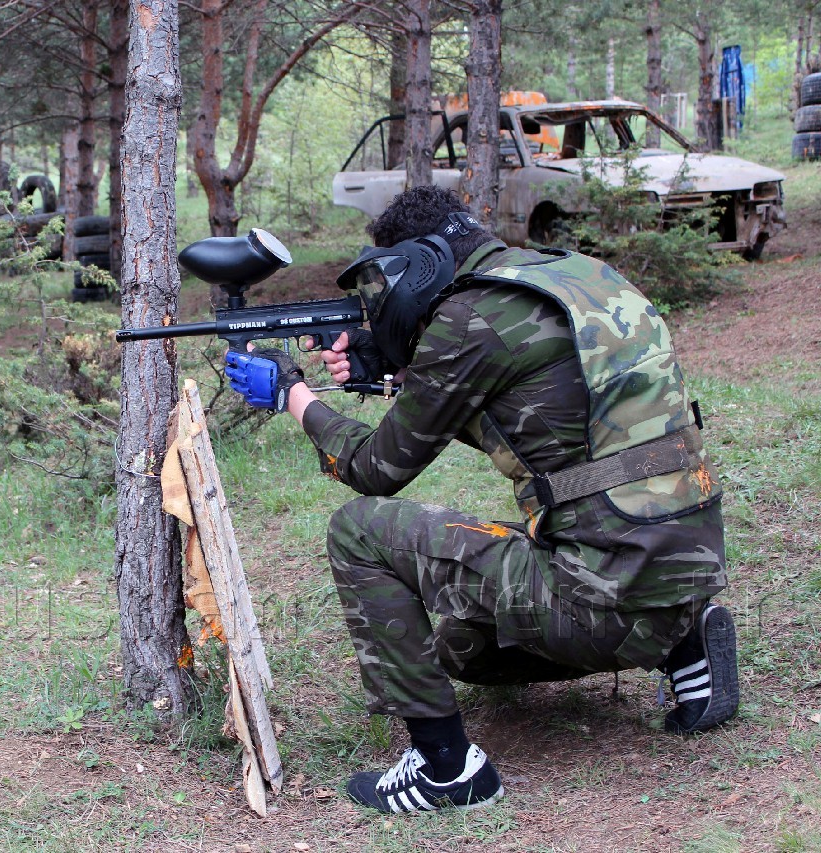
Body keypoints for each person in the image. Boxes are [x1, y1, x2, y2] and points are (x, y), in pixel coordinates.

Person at [223, 186, 737, 814]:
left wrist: (292, 396)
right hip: (682, 567)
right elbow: (528, 409)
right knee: (462, 649)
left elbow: (375, 468)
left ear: (421, 263)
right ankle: (683, 641)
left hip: (598, 595)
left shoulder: (471, 318)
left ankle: (446, 769)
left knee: (358, 530)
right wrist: (393, 367)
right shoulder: (572, 276)